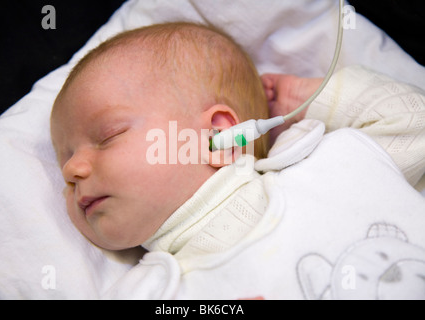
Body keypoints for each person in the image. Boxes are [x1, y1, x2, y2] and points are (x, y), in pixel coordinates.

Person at [50, 22, 425, 299]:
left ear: (217, 138)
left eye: (108, 135)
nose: (71, 170)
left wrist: (304, 98)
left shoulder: (323, 167)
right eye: (65, 160)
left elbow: (414, 123)